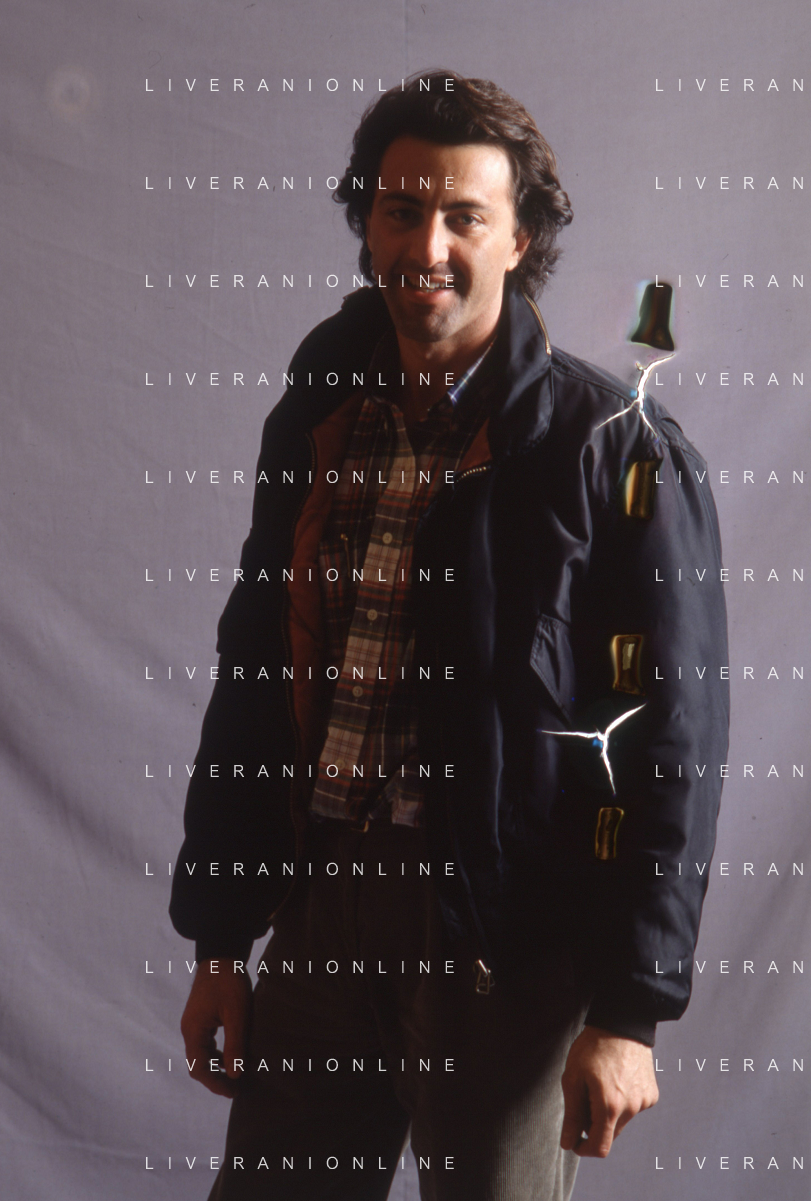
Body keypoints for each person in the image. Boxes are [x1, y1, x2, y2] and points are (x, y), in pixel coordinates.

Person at [169, 71, 729, 1201]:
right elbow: (254, 668)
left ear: (519, 240)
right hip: (322, 901)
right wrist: (220, 941)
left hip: (501, 943)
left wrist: (630, 1009)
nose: (427, 246)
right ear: (367, 223)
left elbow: (668, 740)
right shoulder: (322, 415)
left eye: (464, 216)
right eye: (400, 210)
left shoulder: (610, 447)